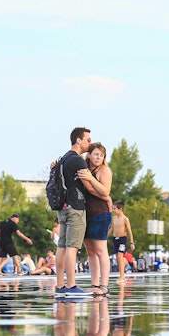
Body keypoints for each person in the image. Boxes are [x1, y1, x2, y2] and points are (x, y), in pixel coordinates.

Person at [54, 127, 93, 297]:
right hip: (75, 207)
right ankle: (71, 286)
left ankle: (60, 286)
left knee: (61, 247)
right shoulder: (78, 161)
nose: (89, 143)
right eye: (88, 139)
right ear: (78, 140)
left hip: (62, 208)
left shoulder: (62, 159)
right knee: (72, 248)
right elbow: (88, 185)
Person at [79, 143, 113, 297]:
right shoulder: (84, 167)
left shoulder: (104, 170)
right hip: (86, 214)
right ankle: (94, 284)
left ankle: (104, 285)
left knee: (100, 250)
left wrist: (91, 180)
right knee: (90, 251)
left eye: (101, 155)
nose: (98, 157)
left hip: (100, 213)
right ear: (89, 155)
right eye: (96, 154)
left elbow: (105, 190)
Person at [109, 201, 134, 286]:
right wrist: (104, 237)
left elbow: (129, 231)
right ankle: (123, 268)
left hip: (122, 240)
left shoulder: (125, 219)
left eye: (114, 208)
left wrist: (132, 242)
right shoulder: (114, 218)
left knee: (120, 256)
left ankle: (122, 276)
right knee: (118, 258)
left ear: (120, 209)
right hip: (115, 239)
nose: (113, 210)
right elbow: (112, 229)